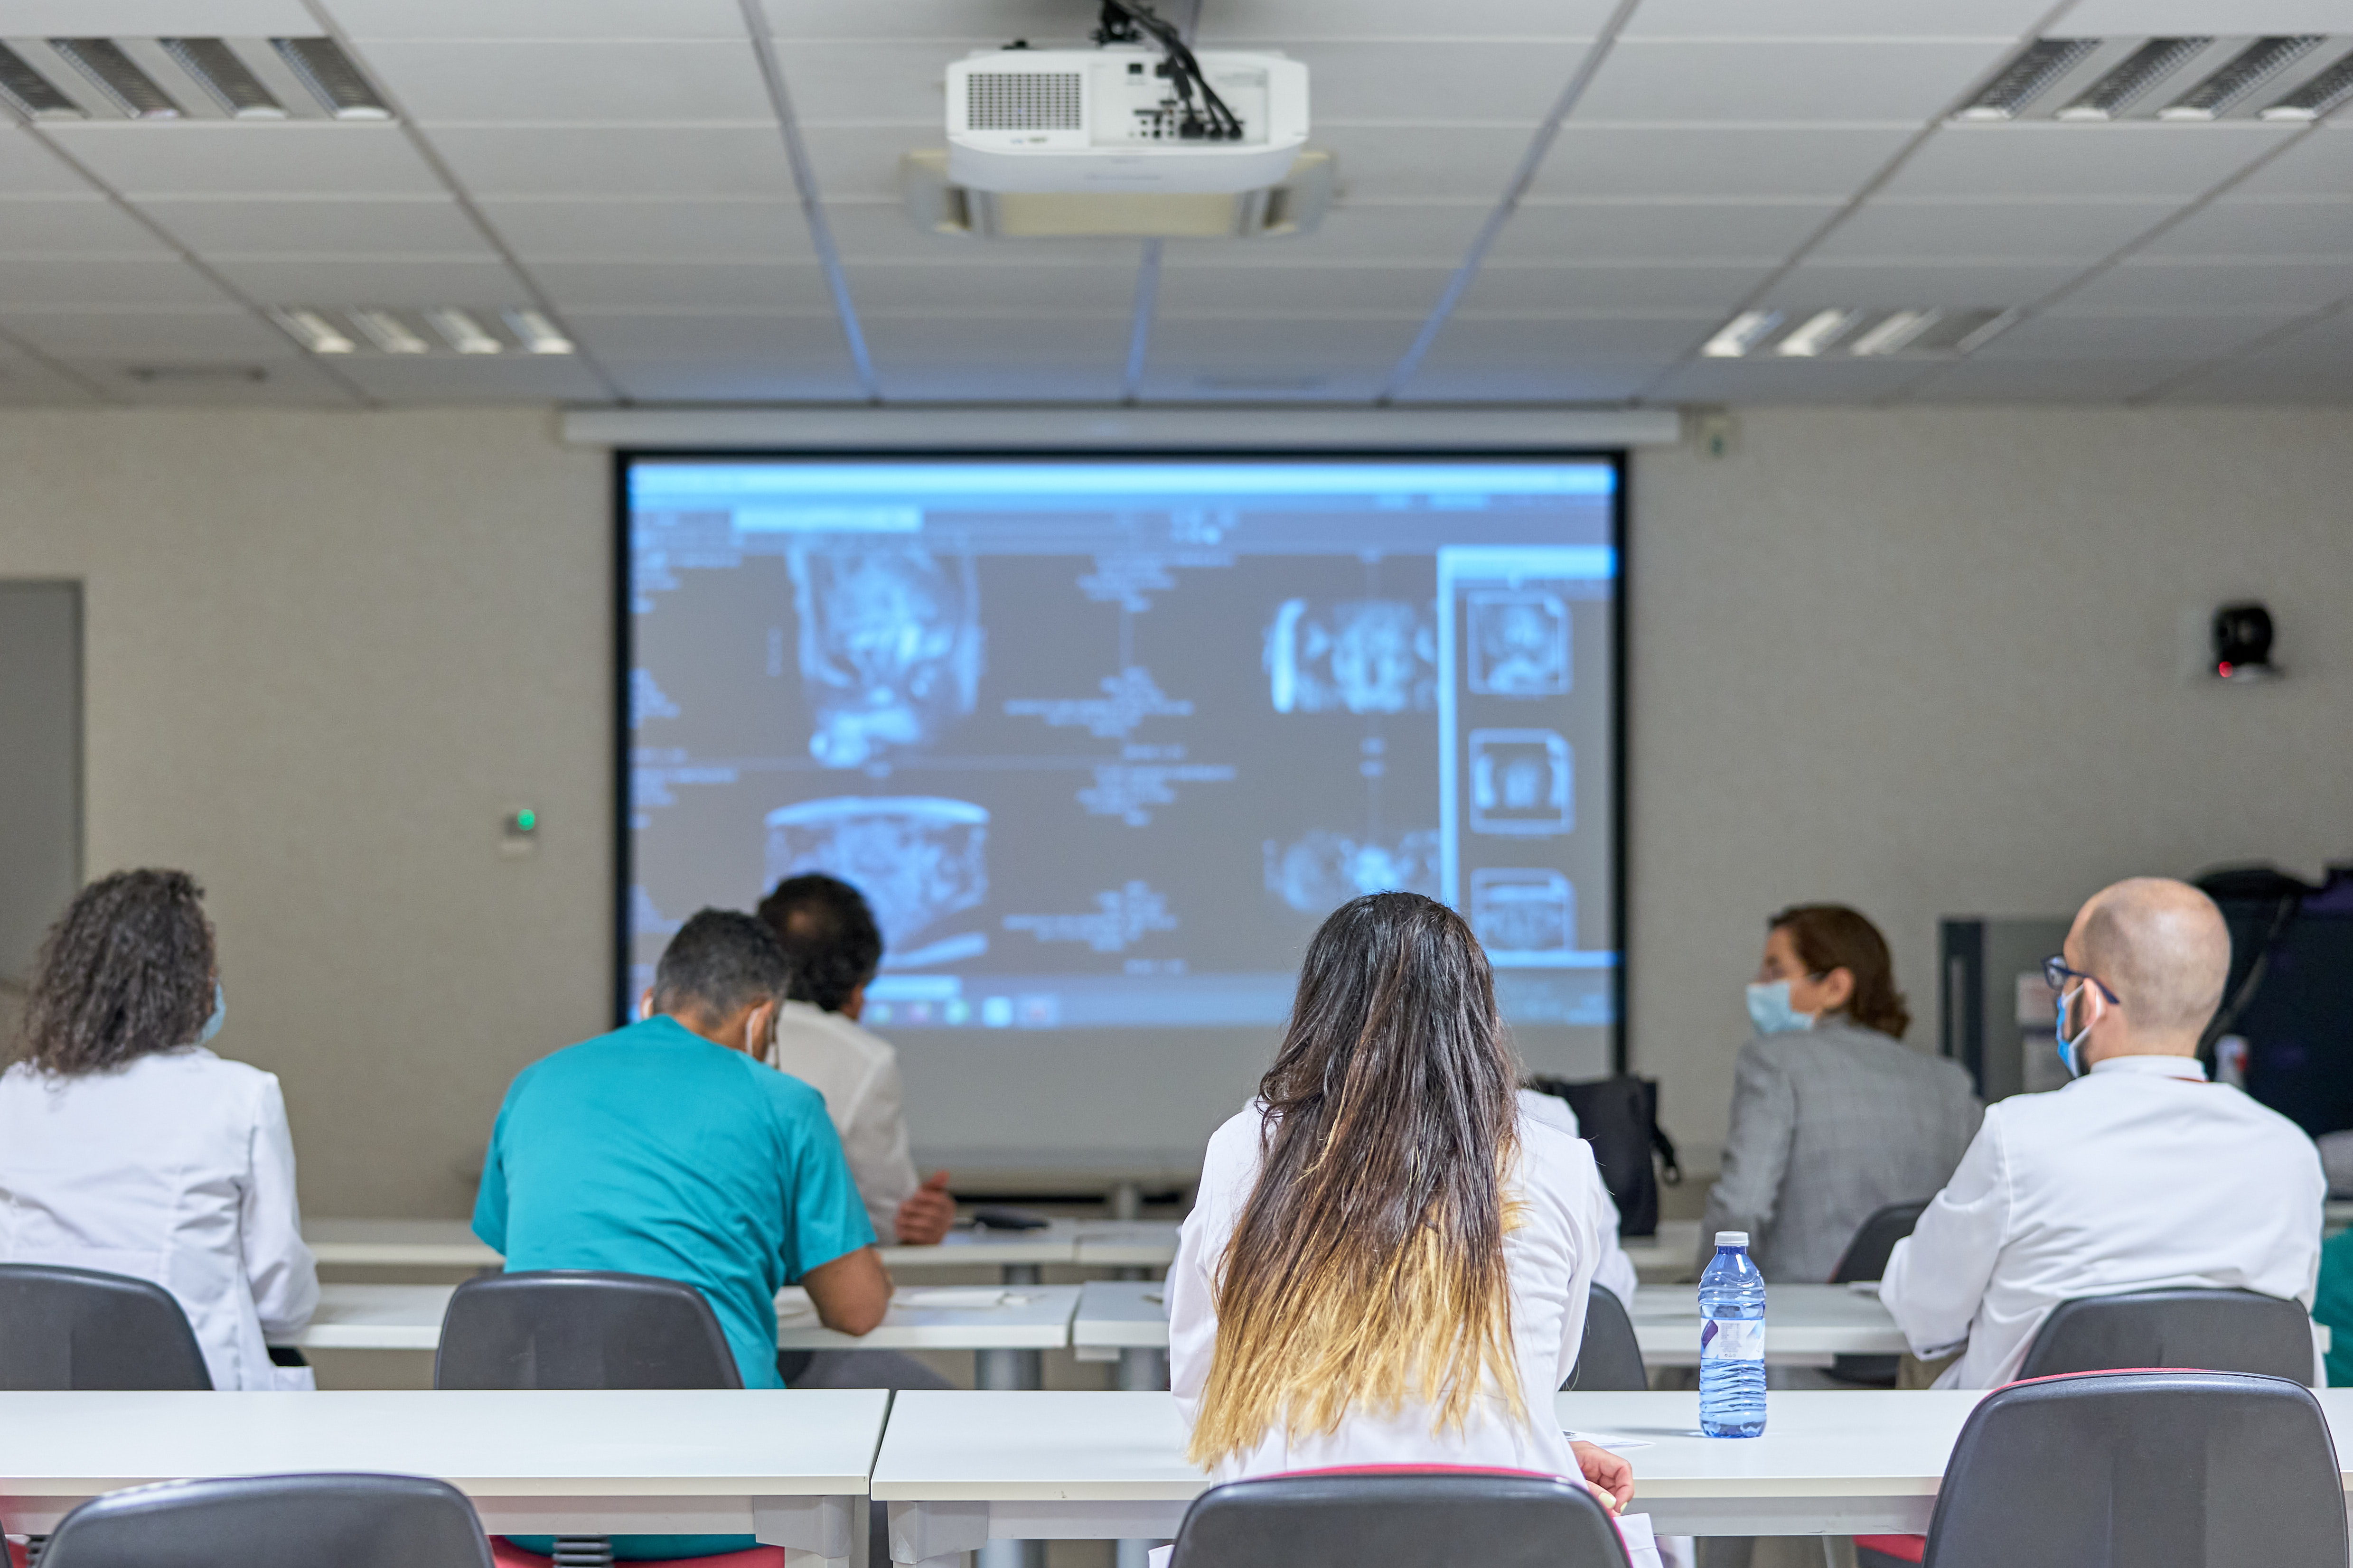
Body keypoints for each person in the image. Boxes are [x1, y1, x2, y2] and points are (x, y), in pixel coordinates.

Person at [1169, 892, 1639, 1521]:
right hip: (1503, 1533)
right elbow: (1533, 1377)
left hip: (1282, 1532)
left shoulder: (1243, 1149)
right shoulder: (1557, 1161)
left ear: (1316, 1014)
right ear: (1482, 1018)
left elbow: (1203, 1388)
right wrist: (1534, 1450)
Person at [1881, 877, 2325, 1389]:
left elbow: (1922, 1313)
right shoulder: (2289, 1154)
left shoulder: (2018, 1138)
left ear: (2088, 1000)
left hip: (2034, 1441)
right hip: (2231, 1439)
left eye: (2063, 976)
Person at [475, 908, 888, 1388]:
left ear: (649, 1003)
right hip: (719, 1416)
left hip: (550, 1411)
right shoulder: (786, 1104)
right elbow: (856, 1311)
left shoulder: (534, 1084)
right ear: (761, 1020)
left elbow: (520, 1244)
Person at [0, 869, 317, 1391]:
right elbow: (281, 1303)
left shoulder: (17, 1094)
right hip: (192, 1402)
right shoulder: (241, 1096)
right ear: (186, 983)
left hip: (41, 1397)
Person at [1702, 905, 1980, 1283]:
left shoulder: (1772, 1062)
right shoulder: (1951, 1083)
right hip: (1920, 1310)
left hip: (1802, 1312)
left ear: (1835, 987)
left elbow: (1742, 1209)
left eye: (1775, 972)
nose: (1757, 986)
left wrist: (1709, 1288)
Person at [755, 873, 955, 1246]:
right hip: (795, 1279)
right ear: (857, 986)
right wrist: (921, 1219)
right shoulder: (864, 1060)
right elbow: (886, 1220)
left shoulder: (697, 1035)